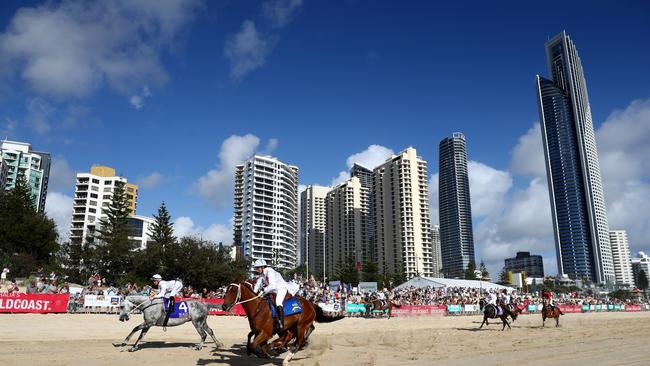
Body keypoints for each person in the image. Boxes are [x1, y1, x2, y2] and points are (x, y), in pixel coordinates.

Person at [252, 259, 299, 331]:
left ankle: (281, 323)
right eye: (256, 268)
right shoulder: (262, 275)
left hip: (281, 288)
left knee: (278, 302)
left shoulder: (269, 271)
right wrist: (253, 294)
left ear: (263, 267)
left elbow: (272, 285)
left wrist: (263, 290)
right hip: (273, 291)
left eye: (258, 268)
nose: (257, 270)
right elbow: (257, 285)